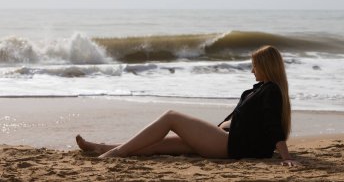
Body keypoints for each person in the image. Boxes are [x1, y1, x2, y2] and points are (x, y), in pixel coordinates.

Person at [76, 45, 299, 166]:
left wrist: (286, 156)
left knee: (171, 116)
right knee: (156, 145)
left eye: (254, 66)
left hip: (231, 145)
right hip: (223, 140)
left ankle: (116, 152)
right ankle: (101, 147)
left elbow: (272, 125)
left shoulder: (271, 91)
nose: (252, 70)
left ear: (266, 66)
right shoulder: (258, 89)